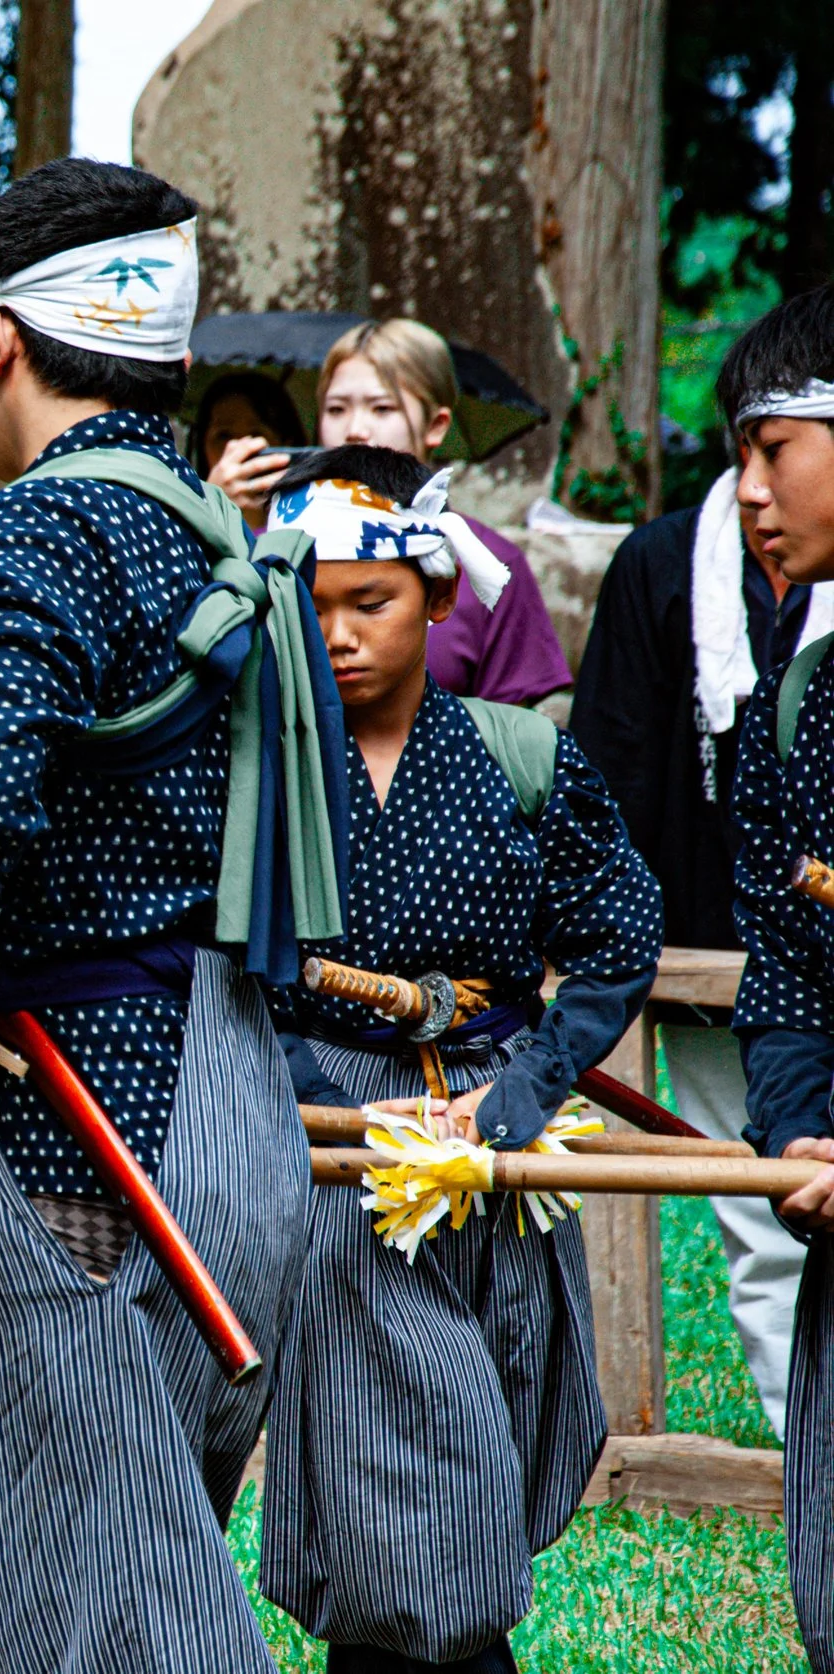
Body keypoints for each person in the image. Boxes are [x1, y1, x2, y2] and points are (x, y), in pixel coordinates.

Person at [0, 156, 341, 1671]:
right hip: (231, 1114)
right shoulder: (211, 526)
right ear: (172, 358)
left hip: (81, 1143)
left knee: (109, 1612)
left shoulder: (38, 532)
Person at [255, 446, 660, 1674]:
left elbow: (614, 936)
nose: (337, 636)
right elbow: (227, 975)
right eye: (309, 608)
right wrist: (324, 1105)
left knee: (483, 1439)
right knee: (402, 1450)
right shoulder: (262, 779)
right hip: (337, 1149)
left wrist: (521, 1090)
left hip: (496, 1128)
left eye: (368, 603)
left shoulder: (517, 757)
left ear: (436, 598)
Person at [571, 430, 818, 1438]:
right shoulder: (663, 560)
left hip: (805, 930)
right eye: (745, 453)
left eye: (783, 450)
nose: (758, 491)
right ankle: (802, 1440)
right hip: (710, 928)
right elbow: (613, 753)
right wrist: (614, 927)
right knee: (766, 1208)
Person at [720, 285, 834, 1670]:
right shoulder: (795, 709)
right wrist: (800, 1132)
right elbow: (790, 978)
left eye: (773, 449)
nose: (749, 492)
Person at [313, 318, 573, 709]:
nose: (355, 430)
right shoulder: (277, 546)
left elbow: (512, 728)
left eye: (382, 408)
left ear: (436, 425)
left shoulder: (488, 563)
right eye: (336, 409)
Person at [193, 368, 304, 527]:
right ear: (203, 444)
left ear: (287, 443)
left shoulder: (310, 516)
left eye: (256, 434)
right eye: (223, 435)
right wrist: (213, 507)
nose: (239, 447)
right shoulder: (183, 516)